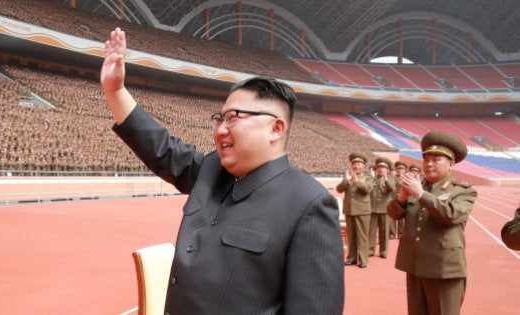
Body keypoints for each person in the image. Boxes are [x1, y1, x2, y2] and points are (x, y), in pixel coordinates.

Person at [100, 27, 344, 314]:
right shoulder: (211, 171)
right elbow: (161, 148)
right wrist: (115, 91)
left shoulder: (308, 204)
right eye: (219, 119)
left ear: (276, 128)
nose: (220, 130)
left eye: (233, 118)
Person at [387, 131, 478, 315]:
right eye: (426, 159)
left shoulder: (462, 190)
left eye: (436, 160)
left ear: (451, 164)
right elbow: (393, 214)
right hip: (415, 266)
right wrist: (402, 198)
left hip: (443, 269)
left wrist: (420, 194)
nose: (429, 164)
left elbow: (452, 214)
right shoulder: (418, 186)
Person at [336, 152, 373, 268]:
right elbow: (339, 189)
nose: (356, 166)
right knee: (351, 235)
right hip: (350, 210)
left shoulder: (368, 178)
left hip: (362, 210)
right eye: (354, 164)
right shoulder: (348, 177)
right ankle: (351, 258)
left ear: (363, 166)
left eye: (358, 164)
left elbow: (367, 189)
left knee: (362, 236)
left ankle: (363, 259)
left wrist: (356, 181)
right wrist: (345, 182)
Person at [368, 157, 396, 258]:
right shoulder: (371, 179)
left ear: (387, 169)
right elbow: (367, 190)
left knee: (384, 232)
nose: (381, 169)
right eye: (379, 167)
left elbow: (392, 189)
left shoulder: (391, 180)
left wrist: (385, 179)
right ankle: (370, 250)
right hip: (373, 209)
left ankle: (383, 251)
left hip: (384, 209)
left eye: (383, 168)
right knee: (371, 232)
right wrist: (372, 178)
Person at [389, 160, 408, 239]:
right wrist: (393, 177)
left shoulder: (407, 178)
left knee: (402, 219)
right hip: (393, 199)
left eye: (402, 169)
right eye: (398, 169)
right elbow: (391, 187)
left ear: (404, 170)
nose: (400, 171)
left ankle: (401, 233)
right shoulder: (393, 178)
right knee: (392, 218)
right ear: (396, 170)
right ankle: (392, 234)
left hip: (403, 200)